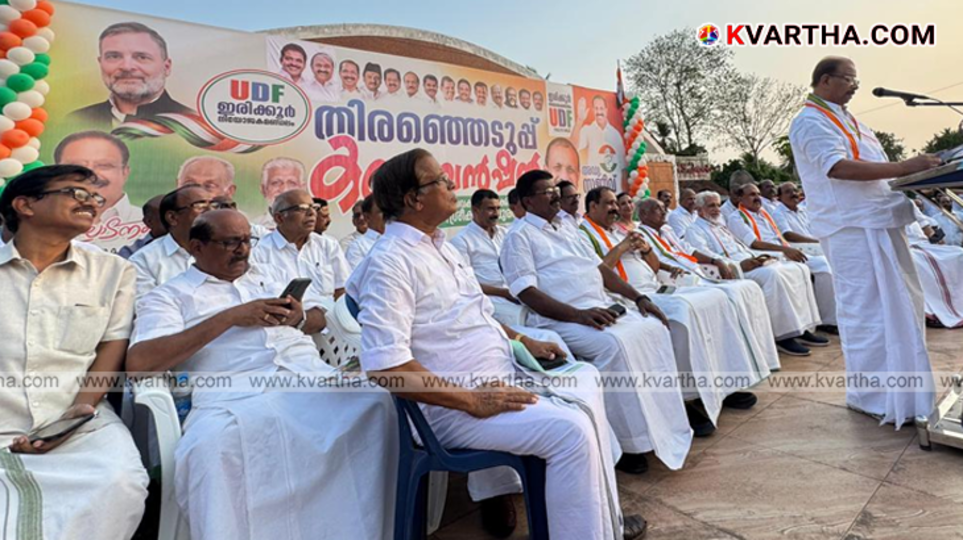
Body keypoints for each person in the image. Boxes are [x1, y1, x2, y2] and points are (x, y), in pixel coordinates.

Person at [346, 150, 647, 540]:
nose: (452, 184)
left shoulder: (440, 246)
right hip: (451, 407)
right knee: (570, 432)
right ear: (413, 199)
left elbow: (479, 317)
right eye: (440, 180)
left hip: (500, 375)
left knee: (587, 378)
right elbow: (387, 368)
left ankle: (604, 520)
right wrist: (472, 400)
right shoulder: (390, 262)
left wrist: (524, 340)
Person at [128, 209, 396, 540]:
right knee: (210, 451)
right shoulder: (170, 296)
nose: (242, 250)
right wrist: (229, 318)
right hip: (235, 394)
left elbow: (322, 317)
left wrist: (298, 317)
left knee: (381, 403)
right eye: (229, 242)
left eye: (246, 240)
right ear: (196, 247)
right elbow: (140, 361)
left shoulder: (269, 275)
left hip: (308, 377)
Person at [501, 169, 693, 475]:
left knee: (654, 327)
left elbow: (601, 271)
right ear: (527, 201)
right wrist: (578, 315)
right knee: (614, 346)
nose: (554, 196)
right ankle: (627, 443)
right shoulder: (519, 236)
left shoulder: (568, 227)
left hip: (599, 308)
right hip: (558, 319)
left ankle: (663, 424)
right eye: (546, 192)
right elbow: (526, 292)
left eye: (555, 190)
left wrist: (640, 298)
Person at [789, 56, 940, 425]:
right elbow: (837, 168)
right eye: (849, 79)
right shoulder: (810, 120)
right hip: (852, 229)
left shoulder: (850, 119)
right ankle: (872, 396)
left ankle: (906, 395)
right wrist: (906, 168)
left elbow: (876, 171)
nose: (855, 85)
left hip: (881, 221)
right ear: (825, 80)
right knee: (869, 312)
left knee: (902, 306)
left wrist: (910, 179)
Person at [0, 165, 148, 539]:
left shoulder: (113, 271)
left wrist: (77, 414)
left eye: (96, 197)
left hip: (81, 418)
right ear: (25, 205)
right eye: (76, 193)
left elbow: (113, 345)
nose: (92, 203)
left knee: (122, 480)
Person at [579, 187, 767, 433]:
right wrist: (623, 247)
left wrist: (645, 251)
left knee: (717, 298)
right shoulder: (584, 234)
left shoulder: (618, 230)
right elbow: (598, 273)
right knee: (682, 314)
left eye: (617, 203)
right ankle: (687, 398)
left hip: (654, 286)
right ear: (592, 207)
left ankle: (720, 386)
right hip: (628, 296)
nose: (616, 208)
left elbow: (655, 266)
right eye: (609, 204)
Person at [643, 195, 822, 357]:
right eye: (711, 206)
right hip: (731, 269)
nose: (716, 209)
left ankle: (801, 327)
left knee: (797, 269)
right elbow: (701, 255)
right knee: (772, 276)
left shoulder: (716, 226)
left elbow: (741, 247)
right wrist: (737, 265)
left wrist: (757, 257)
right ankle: (784, 335)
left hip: (746, 261)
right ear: (699, 210)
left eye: (718, 205)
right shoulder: (694, 230)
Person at [727, 183, 838, 330]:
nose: (757, 198)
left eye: (758, 194)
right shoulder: (736, 218)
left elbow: (779, 237)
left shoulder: (764, 213)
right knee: (819, 267)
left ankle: (812, 323)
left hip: (784, 250)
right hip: (767, 254)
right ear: (740, 198)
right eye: (752, 195)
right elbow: (755, 243)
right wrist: (785, 250)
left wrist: (786, 249)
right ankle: (822, 321)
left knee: (820, 265)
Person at [68, 22, 194, 129]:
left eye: (142, 57)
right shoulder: (75, 121)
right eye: (114, 56)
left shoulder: (194, 126)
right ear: (100, 63)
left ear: (166, 67)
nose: (127, 67)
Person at [129, 184, 231, 299]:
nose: (210, 211)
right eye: (200, 205)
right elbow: (148, 309)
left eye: (214, 205)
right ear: (172, 218)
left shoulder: (231, 250)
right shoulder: (144, 261)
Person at [54, 131, 148, 252]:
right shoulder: (38, 223)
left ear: (125, 172)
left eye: (104, 165)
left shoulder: (148, 222)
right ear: (55, 171)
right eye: (76, 166)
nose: (90, 174)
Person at [251, 189, 349, 303]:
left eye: (313, 207)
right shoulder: (259, 253)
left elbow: (342, 290)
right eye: (302, 209)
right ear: (279, 218)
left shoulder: (328, 246)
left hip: (329, 317)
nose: (312, 213)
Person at [905, 209, 963, 328]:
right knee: (915, 260)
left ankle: (958, 305)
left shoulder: (908, 203)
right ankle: (932, 311)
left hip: (924, 244)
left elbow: (928, 229)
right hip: (904, 245)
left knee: (958, 253)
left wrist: (933, 236)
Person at [572, 95, 626, 173]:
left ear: (606, 110)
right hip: (593, 182)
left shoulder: (615, 134)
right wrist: (579, 120)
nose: (599, 112)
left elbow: (623, 165)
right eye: (596, 108)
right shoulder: (588, 130)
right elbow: (573, 146)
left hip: (612, 182)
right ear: (593, 110)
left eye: (601, 108)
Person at [252, 158, 307, 229]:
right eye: (276, 183)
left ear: (303, 189)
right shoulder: (253, 227)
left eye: (292, 183)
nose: (284, 190)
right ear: (263, 189)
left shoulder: (313, 226)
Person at [344, 194, 385, 270]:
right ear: (367, 217)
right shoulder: (357, 247)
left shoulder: (396, 240)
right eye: (381, 211)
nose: (386, 216)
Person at [118, 194, 166, 259]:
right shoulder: (130, 253)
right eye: (167, 215)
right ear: (149, 222)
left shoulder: (183, 245)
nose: (175, 219)